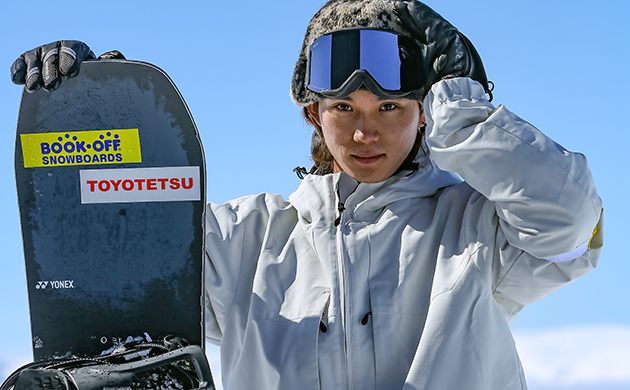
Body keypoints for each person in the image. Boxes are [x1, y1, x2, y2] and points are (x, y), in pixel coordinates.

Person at [11, 0, 603, 389]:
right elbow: (131, 256)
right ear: (313, 113)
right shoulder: (246, 240)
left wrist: (466, 107)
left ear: (426, 113)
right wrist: (100, 120)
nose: (365, 132)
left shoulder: (475, 232)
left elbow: (569, 220)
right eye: (343, 107)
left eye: (390, 107)